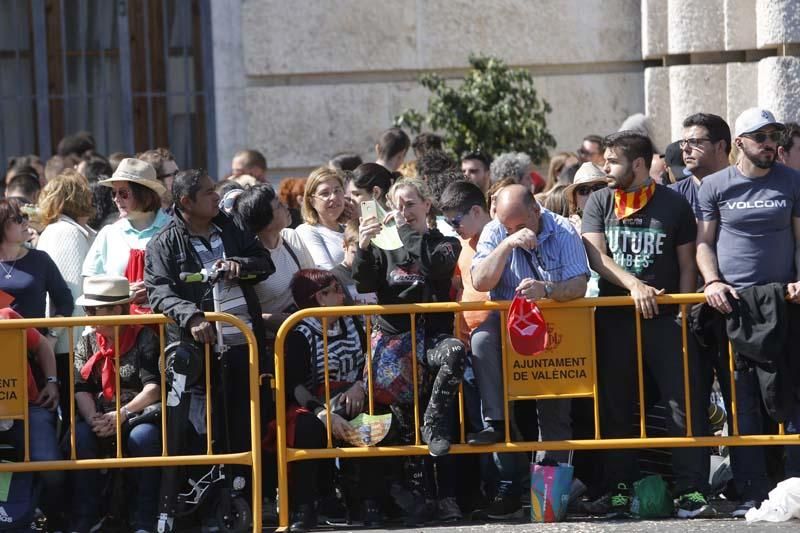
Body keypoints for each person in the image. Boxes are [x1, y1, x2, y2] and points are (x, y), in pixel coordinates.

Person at [581, 131, 712, 519]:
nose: (606, 168)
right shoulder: (601, 201)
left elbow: (687, 264)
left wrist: (684, 313)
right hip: (615, 317)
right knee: (616, 405)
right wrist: (635, 284)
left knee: (680, 404)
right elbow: (596, 257)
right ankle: (620, 487)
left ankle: (691, 489)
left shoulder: (672, 204)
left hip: (666, 318)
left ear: (637, 164)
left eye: (613, 162)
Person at [696, 108, 800, 517]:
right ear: (739, 142)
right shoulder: (715, 186)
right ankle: (751, 489)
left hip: (785, 304)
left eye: (773, 135)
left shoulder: (792, 181)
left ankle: (793, 485)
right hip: (734, 307)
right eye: (760, 136)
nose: (770, 143)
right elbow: (705, 242)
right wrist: (712, 282)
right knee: (742, 401)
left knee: (789, 396)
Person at [469, 184, 589, 517]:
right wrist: (507, 243)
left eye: (519, 225)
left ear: (536, 211)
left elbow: (579, 283)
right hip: (508, 324)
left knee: (553, 414)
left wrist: (546, 289)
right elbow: (480, 282)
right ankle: (495, 419)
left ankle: (548, 500)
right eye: (507, 227)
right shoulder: (496, 231)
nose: (515, 232)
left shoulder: (562, 230)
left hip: (553, 324)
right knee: (481, 339)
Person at [145, 168, 273, 458]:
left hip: (245, 346)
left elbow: (264, 262)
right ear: (186, 201)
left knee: (247, 427)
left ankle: (248, 493)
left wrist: (241, 265)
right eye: (208, 192)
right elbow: (159, 292)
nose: (217, 196)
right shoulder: (163, 243)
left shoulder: (232, 226)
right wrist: (192, 317)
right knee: (206, 431)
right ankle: (213, 495)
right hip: (200, 354)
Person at [354, 177, 465, 456]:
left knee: (455, 351)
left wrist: (403, 231)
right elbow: (364, 283)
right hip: (395, 345)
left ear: (427, 205)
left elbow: (432, 264)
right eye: (398, 206)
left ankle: (432, 423)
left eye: (411, 204)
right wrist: (364, 247)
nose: (405, 211)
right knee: (404, 436)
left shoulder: (447, 243)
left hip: (431, 341)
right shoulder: (384, 247)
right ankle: (412, 492)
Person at [279, 269, 373, 531]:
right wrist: (322, 412)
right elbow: (294, 383)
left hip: (353, 394)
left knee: (365, 416)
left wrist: (360, 386)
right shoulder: (299, 331)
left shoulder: (352, 322)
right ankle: (305, 506)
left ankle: (364, 501)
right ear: (320, 297)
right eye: (335, 288)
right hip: (312, 402)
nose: (342, 293)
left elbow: (369, 360)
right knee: (308, 428)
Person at [70, 275, 162, 533]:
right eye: (87, 310)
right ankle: (86, 518)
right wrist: (94, 419)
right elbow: (81, 388)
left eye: (92, 310)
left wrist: (121, 415)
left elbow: (153, 388)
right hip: (100, 414)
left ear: (117, 309)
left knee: (143, 439)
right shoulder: (87, 340)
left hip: (138, 414)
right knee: (82, 439)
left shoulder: (145, 336)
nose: (88, 316)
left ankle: (144, 520)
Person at [35, 169, 97, 401]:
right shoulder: (65, 232)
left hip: (70, 340)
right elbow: (67, 290)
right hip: (68, 342)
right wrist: (52, 335)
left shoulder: (64, 231)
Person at [0, 307, 64, 529]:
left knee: (51, 469)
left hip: (28, 407)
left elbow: (41, 345)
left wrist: (52, 381)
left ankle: (53, 518)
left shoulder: (6, 316)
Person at [232, 183, 314, 348]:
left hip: (307, 336)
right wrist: (265, 319)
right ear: (266, 222)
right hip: (270, 345)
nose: (285, 205)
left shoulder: (291, 238)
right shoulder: (247, 260)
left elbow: (314, 282)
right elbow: (237, 311)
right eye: (278, 204)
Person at [0, 198, 73, 321]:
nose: (25, 222)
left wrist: (52, 335)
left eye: (25, 216)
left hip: (36, 340)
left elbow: (65, 302)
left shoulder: (40, 259)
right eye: (18, 218)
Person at [669, 113, 732, 213]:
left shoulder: (746, 191)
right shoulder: (672, 195)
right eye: (683, 142)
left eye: (693, 142)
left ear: (720, 146)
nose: (685, 148)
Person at [296, 167, 349, 270]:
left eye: (337, 191)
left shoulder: (349, 228)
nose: (333, 197)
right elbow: (326, 273)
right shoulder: (308, 231)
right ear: (311, 201)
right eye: (325, 193)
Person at [331, 225, 376, 305]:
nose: (359, 258)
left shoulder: (376, 270)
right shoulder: (334, 276)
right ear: (345, 246)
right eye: (355, 253)